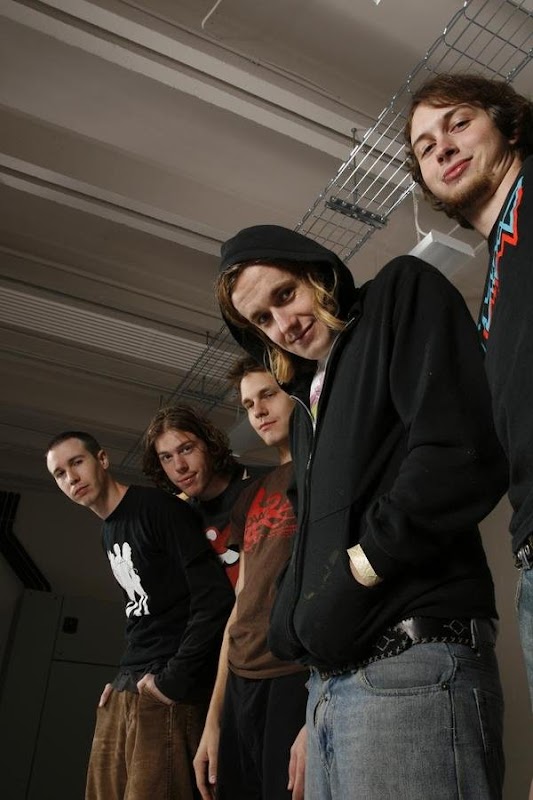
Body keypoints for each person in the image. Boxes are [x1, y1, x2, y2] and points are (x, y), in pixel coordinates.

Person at [215, 224, 508, 800]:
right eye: (263, 320)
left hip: (413, 666)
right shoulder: (305, 408)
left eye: (285, 295)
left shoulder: (399, 294)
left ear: (316, 273)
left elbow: (459, 452)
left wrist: (361, 570)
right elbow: (308, 540)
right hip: (329, 687)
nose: (284, 324)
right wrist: (296, 634)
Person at [404, 72, 533, 704]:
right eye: (426, 147)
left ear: (507, 124)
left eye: (458, 123)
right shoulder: (493, 286)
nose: (444, 148)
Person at [46, 431, 234, 800]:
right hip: (129, 685)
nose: (71, 478)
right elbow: (141, 612)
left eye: (77, 462)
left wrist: (174, 680)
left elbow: (214, 598)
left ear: (102, 459)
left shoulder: (158, 509)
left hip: (167, 689)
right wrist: (123, 677)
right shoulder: (108, 531)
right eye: (60, 474)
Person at [193, 357, 307, 800]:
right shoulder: (252, 494)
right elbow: (239, 602)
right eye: (247, 404)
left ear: (295, 394)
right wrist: (213, 720)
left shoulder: (322, 472)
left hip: (293, 671)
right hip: (241, 678)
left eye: (267, 395)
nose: (257, 411)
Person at [142, 405, 268, 587]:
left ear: (209, 444)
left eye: (186, 449)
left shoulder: (268, 483)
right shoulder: (180, 518)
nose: (179, 466)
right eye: (167, 457)